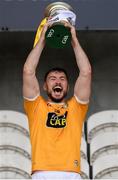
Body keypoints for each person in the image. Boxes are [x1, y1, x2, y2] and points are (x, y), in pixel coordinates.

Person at [23, 21, 91, 180]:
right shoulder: (36, 106)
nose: (58, 81)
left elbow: (86, 72)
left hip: (71, 173)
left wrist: (73, 39)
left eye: (62, 79)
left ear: (67, 87)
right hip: (42, 173)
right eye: (52, 79)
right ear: (45, 87)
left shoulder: (76, 107)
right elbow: (28, 71)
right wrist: (44, 39)